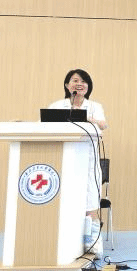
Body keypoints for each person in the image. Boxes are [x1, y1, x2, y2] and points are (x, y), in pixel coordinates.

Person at [48, 69, 108, 259]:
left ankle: (91, 247)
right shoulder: (57, 106)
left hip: (88, 162)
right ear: (67, 85)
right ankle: (63, 244)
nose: (79, 84)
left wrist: (86, 117)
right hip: (62, 161)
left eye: (83, 81)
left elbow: (103, 125)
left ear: (88, 87)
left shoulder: (94, 106)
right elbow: (43, 124)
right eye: (75, 80)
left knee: (90, 204)